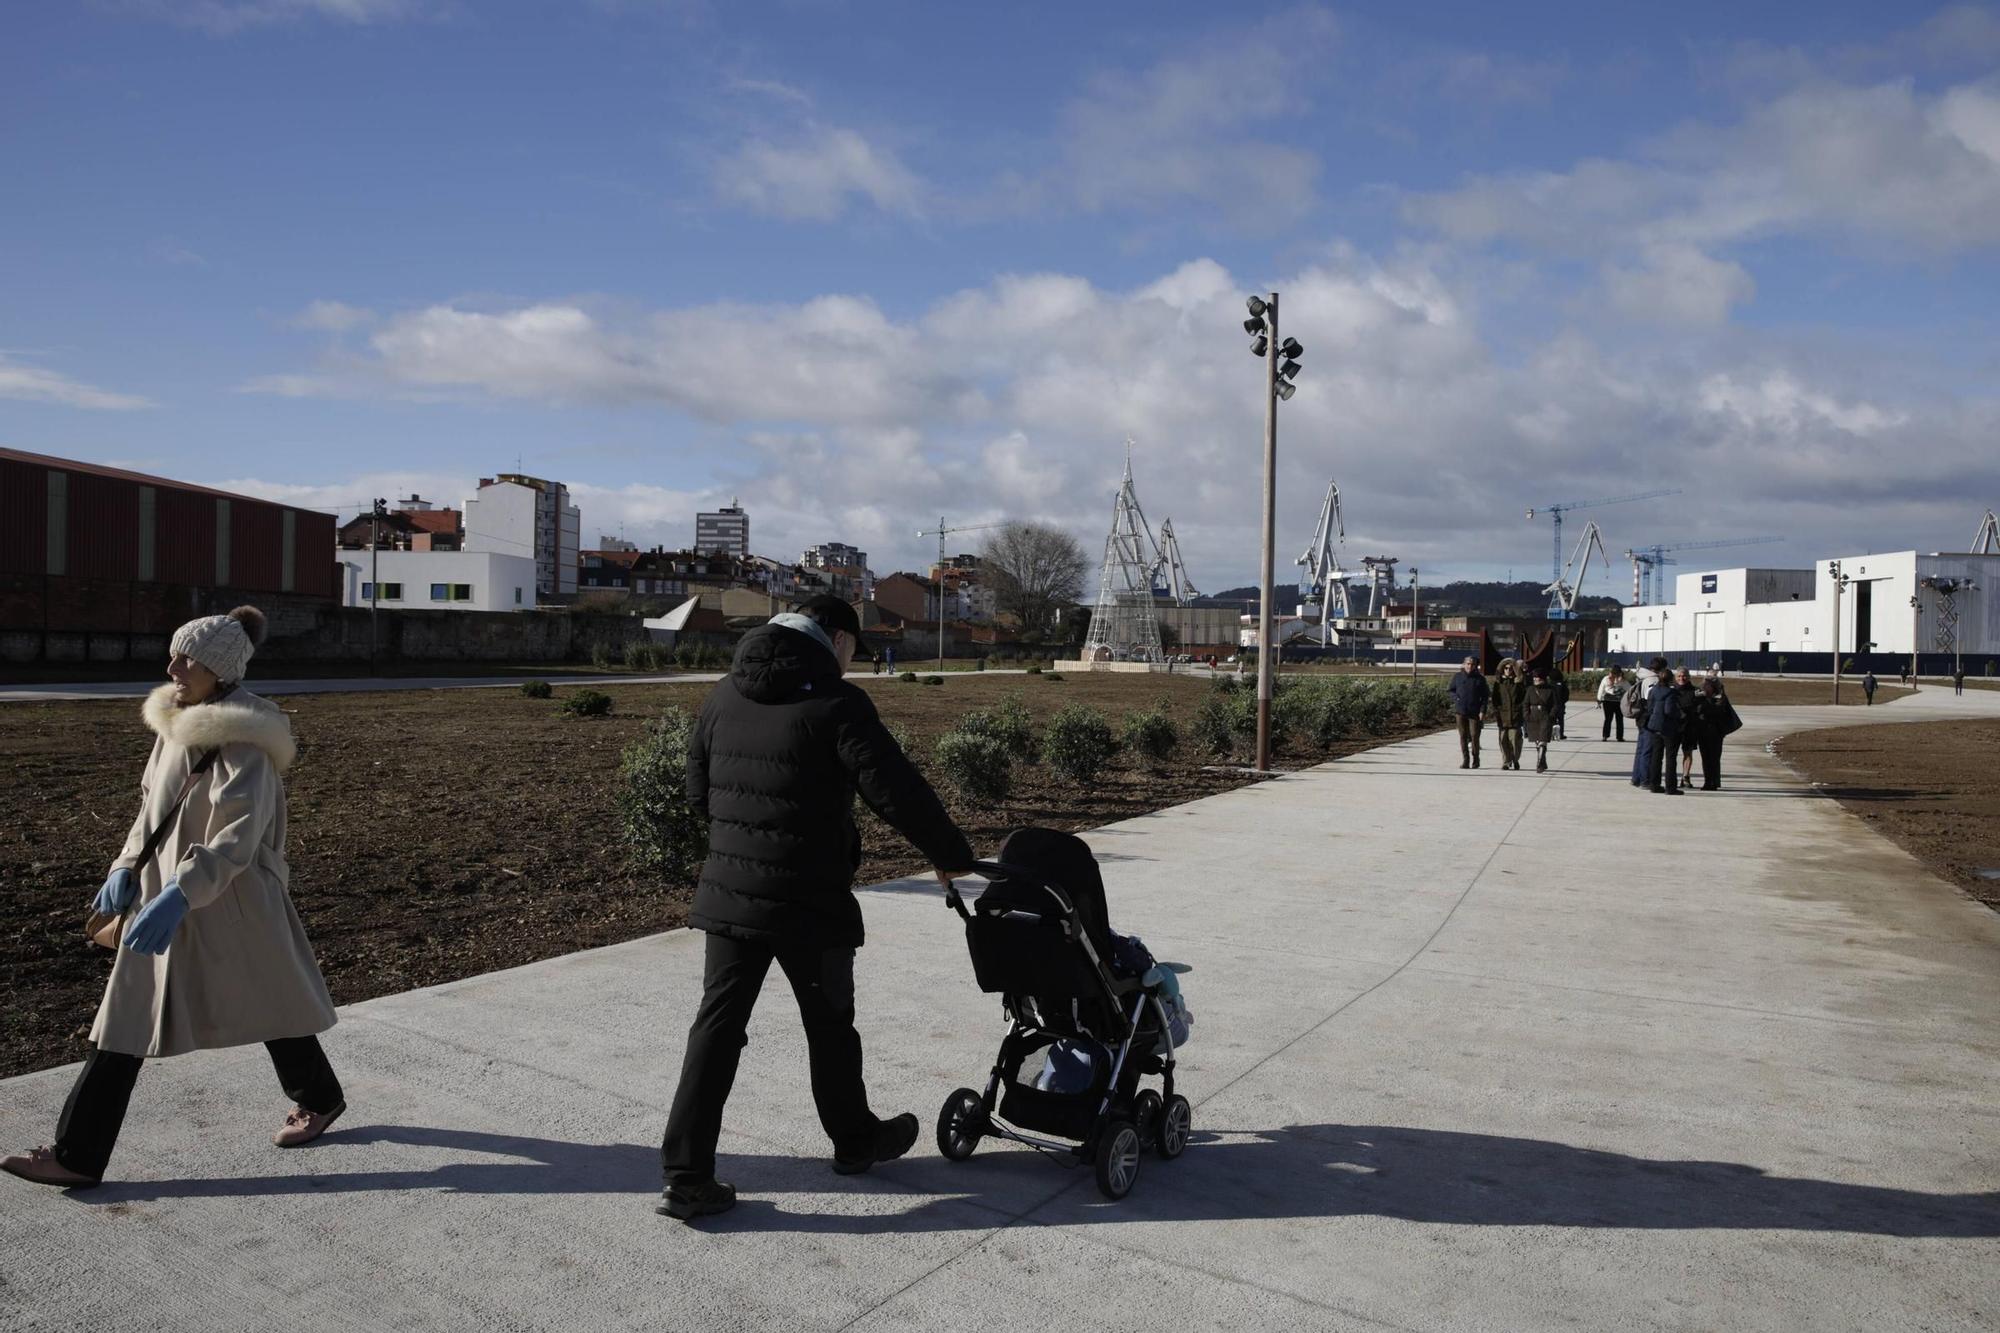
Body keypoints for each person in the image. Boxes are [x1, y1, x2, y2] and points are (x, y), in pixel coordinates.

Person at [2, 607, 343, 1189]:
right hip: (170, 895)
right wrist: (127, 865)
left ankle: (320, 1097)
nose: (172, 666)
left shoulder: (244, 739)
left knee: (269, 1000)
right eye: (175, 653)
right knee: (127, 1019)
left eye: (188, 658)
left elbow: (237, 834)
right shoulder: (176, 724)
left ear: (220, 670)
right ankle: (79, 1154)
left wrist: (181, 894)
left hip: (230, 901)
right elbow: (151, 811)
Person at [660, 595, 975, 1222]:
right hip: (811, 899)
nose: (853, 662)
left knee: (716, 1030)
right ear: (836, 638)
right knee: (830, 1026)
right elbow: (895, 788)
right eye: (854, 649)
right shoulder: (837, 703)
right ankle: (855, 1140)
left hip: (730, 896)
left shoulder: (724, 694)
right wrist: (950, 853)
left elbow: (697, 789)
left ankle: (686, 1176)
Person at [1645, 658, 1686, 794]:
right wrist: (1678, 716)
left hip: (1654, 726)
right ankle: (1670, 787)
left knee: (1656, 756)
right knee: (1670, 758)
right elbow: (1669, 710)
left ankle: (1654, 784)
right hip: (1668, 728)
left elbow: (1649, 708)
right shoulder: (1671, 693)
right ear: (1670, 680)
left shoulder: (1653, 691)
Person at [1690, 677, 1734, 790]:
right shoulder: (1700, 697)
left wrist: (1706, 703)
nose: (1704, 687)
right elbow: (1695, 709)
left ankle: (1714, 781)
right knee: (1705, 758)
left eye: (1707, 686)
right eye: (1704, 685)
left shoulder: (1720, 698)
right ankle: (1708, 781)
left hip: (1716, 732)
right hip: (1702, 731)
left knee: (1714, 758)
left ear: (1713, 687)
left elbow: (1717, 711)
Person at [1447, 656, 1489, 769]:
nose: (1470, 666)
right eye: (1468, 664)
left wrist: (1482, 710)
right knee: (1463, 736)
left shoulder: (1480, 679)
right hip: (1460, 712)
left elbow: (1485, 696)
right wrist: (1456, 698)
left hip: (1474, 712)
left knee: (1475, 736)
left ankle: (1476, 759)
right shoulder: (1458, 677)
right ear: (1464, 664)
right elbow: (1451, 690)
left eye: (1472, 664)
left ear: (1475, 666)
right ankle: (1466, 760)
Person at [1629, 659, 1663, 787]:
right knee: (1648, 749)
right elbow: (1651, 697)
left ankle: (1636, 777)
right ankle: (1645, 779)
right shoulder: (1653, 680)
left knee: (1641, 748)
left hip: (1641, 715)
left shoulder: (1642, 676)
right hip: (1649, 716)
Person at [1489, 659, 1526, 770]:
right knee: (1503, 740)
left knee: (1515, 740)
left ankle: (1515, 759)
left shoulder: (1518, 683)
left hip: (1515, 717)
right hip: (1502, 716)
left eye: (1510, 668)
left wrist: (1519, 710)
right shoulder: (1498, 683)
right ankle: (1506, 761)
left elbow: (1523, 699)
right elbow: (1495, 700)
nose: (1508, 670)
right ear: (1502, 669)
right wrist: (1497, 711)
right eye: (1506, 668)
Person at [1522, 667, 1559, 773]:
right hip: (1532, 717)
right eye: (1534, 678)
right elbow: (1525, 703)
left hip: (1545, 717)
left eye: (1537, 677)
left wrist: (1551, 716)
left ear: (1543, 678)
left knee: (1543, 741)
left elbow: (1556, 705)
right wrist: (1526, 715)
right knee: (1538, 742)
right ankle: (1543, 761)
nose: (1535, 679)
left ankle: (1539, 764)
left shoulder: (1551, 689)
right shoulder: (1530, 689)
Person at [1672, 668, 1701, 788]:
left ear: (1688, 677)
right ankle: (1671, 778)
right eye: (1679, 676)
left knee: (1688, 753)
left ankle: (1686, 777)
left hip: (1689, 727)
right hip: (1674, 727)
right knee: (1671, 755)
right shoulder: (1671, 691)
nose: (1681, 678)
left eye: (1684, 676)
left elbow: (1701, 707)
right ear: (1675, 677)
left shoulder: (1695, 691)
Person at [1597, 666, 1627, 742]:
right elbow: (1601, 689)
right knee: (1611, 719)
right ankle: (1608, 736)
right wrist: (1599, 699)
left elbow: (1629, 689)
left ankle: (1614, 736)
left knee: (1616, 719)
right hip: (1609, 702)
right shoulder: (1606, 679)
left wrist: (1599, 699)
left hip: (1616, 702)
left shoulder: (1622, 680)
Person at [1551, 670, 1570, 741]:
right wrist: (1563, 701)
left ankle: (1552, 735)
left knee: (1552, 720)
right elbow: (1566, 694)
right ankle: (1561, 734)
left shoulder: (1550, 684)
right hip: (1561, 705)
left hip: (1552, 705)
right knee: (1561, 720)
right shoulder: (1563, 684)